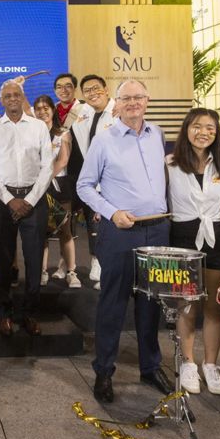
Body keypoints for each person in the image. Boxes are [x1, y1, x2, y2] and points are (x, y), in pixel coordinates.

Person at [77, 79, 173, 403]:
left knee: (150, 304)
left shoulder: (157, 134)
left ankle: (150, 367)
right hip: (119, 231)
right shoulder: (104, 141)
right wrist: (111, 211)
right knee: (113, 304)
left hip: (157, 230)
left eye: (138, 97)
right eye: (126, 98)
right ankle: (104, 371)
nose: (133, 102)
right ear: (117, 103)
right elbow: (84, 186)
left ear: (147, 100)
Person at [0, 79, 53, 336]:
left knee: (34, 261)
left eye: (16, 94)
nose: (12, 98)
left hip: (34, 198)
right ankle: (4, 312)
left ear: (23, 97)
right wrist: (10, 200)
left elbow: (47, 167)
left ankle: (30, 313)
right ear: (1, 100)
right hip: (3, 200)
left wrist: (30, 200)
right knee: (2, 258)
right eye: (7, 95)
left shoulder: (38, 127)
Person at [166, 108, 220, 396]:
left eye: (210, 128)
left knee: (214, 305)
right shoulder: (169, 163)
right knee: (186, 303)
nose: (203, 132)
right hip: (182, 234)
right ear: (186, 129)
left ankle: (211, 365)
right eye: (197, 126)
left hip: (216, 236)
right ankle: (189, 362)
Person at [67, 74, 116, 289]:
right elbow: (65, 127)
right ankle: (97, 262)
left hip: (114, 180)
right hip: (91, 178)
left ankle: (110, 268)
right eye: (87, 90)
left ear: (106, 90)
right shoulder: (83, 111)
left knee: (111, 224)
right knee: (93, 222)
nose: (93, 93)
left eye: (97, 88)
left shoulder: (118, 111)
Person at [33, 95, 79, 288]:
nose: (42, 112)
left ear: (53, 110)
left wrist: (46, 177)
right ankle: (42, 271)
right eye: (38, 108)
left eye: (46, 108)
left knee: (65, 230)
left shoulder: (63, 133)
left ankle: (71, 272)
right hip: (38, 188)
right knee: (41, 232)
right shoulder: (32, 133)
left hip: (59, 186)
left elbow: (63, 161)